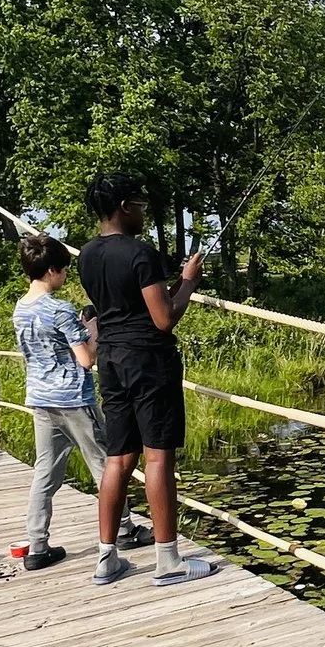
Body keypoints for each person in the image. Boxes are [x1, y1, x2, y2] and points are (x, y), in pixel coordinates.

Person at [75, 171, 216, 587]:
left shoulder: (86, 255)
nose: (142, 212)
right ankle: (168, 560)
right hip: (149, 362)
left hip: (112, 361)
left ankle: (107, 558)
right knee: (158, 457)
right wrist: (187, 283)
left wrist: (170, 287)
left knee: (118, 459)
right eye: (138, 205)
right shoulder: (140, 253)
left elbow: (122, 305)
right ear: (124, 207)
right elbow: (163, 318)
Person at [10, 230, 147, 568]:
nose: (66, 275)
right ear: (53, 270)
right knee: (105, 466)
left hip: (40, 398)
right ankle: (125, 529)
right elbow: (86, 359)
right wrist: (95, 330)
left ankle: (38, 546)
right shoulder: (60, 310)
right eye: (64, 270)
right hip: (74, 397)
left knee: (46, 473)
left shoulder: (21, 308)